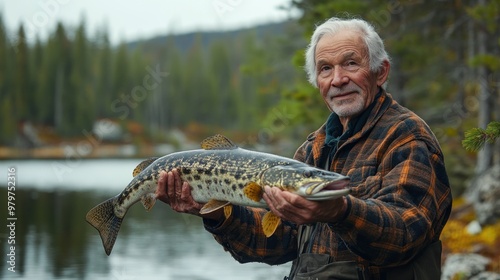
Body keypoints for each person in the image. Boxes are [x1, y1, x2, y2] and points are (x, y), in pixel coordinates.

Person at [156, 17, 452, 280]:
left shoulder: (407, 137)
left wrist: (341, 211)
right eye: (325, 69)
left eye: (350, 63)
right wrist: (216, 215)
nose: (338, 79)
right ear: (317, 82)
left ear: (380, 72)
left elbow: (406, 234)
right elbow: (276, 243)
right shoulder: (314, 148)